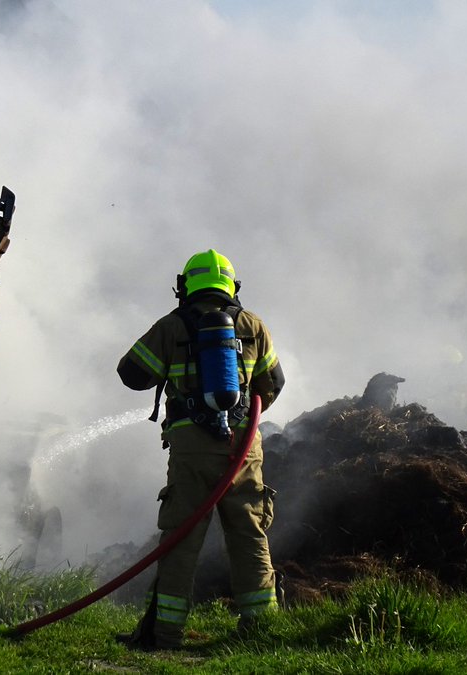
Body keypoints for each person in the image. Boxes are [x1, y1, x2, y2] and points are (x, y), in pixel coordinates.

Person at [116, 249, 286, 649]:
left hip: (191, 449)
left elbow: (131, 373)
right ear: (232, 285)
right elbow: (274, 384)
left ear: (185, 285)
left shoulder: (172, 325)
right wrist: (241, 417)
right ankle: (260, 628)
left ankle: (164, 633)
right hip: (243, 451)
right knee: (249, 534)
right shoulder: (253, 325)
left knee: (181, 539)